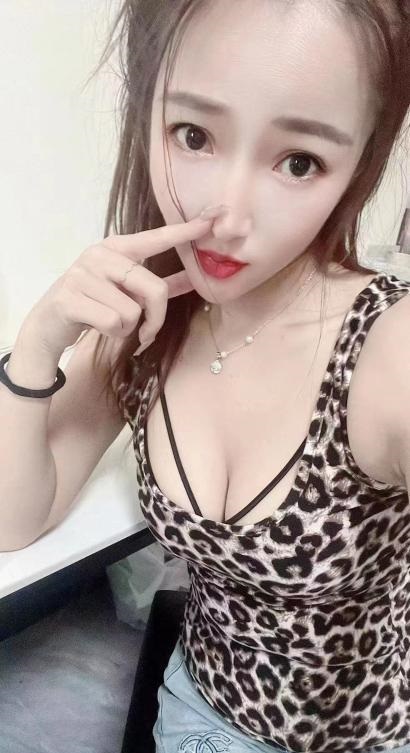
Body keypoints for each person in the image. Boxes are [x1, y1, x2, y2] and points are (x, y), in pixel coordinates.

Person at [0, 0, 409, 751]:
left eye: (299, 162)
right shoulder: (147, 320)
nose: (228, 217)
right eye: (194, 136)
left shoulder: (386, 348)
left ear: (359, 166)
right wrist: (37, 344)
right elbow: (12, 521)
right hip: (194, 710)